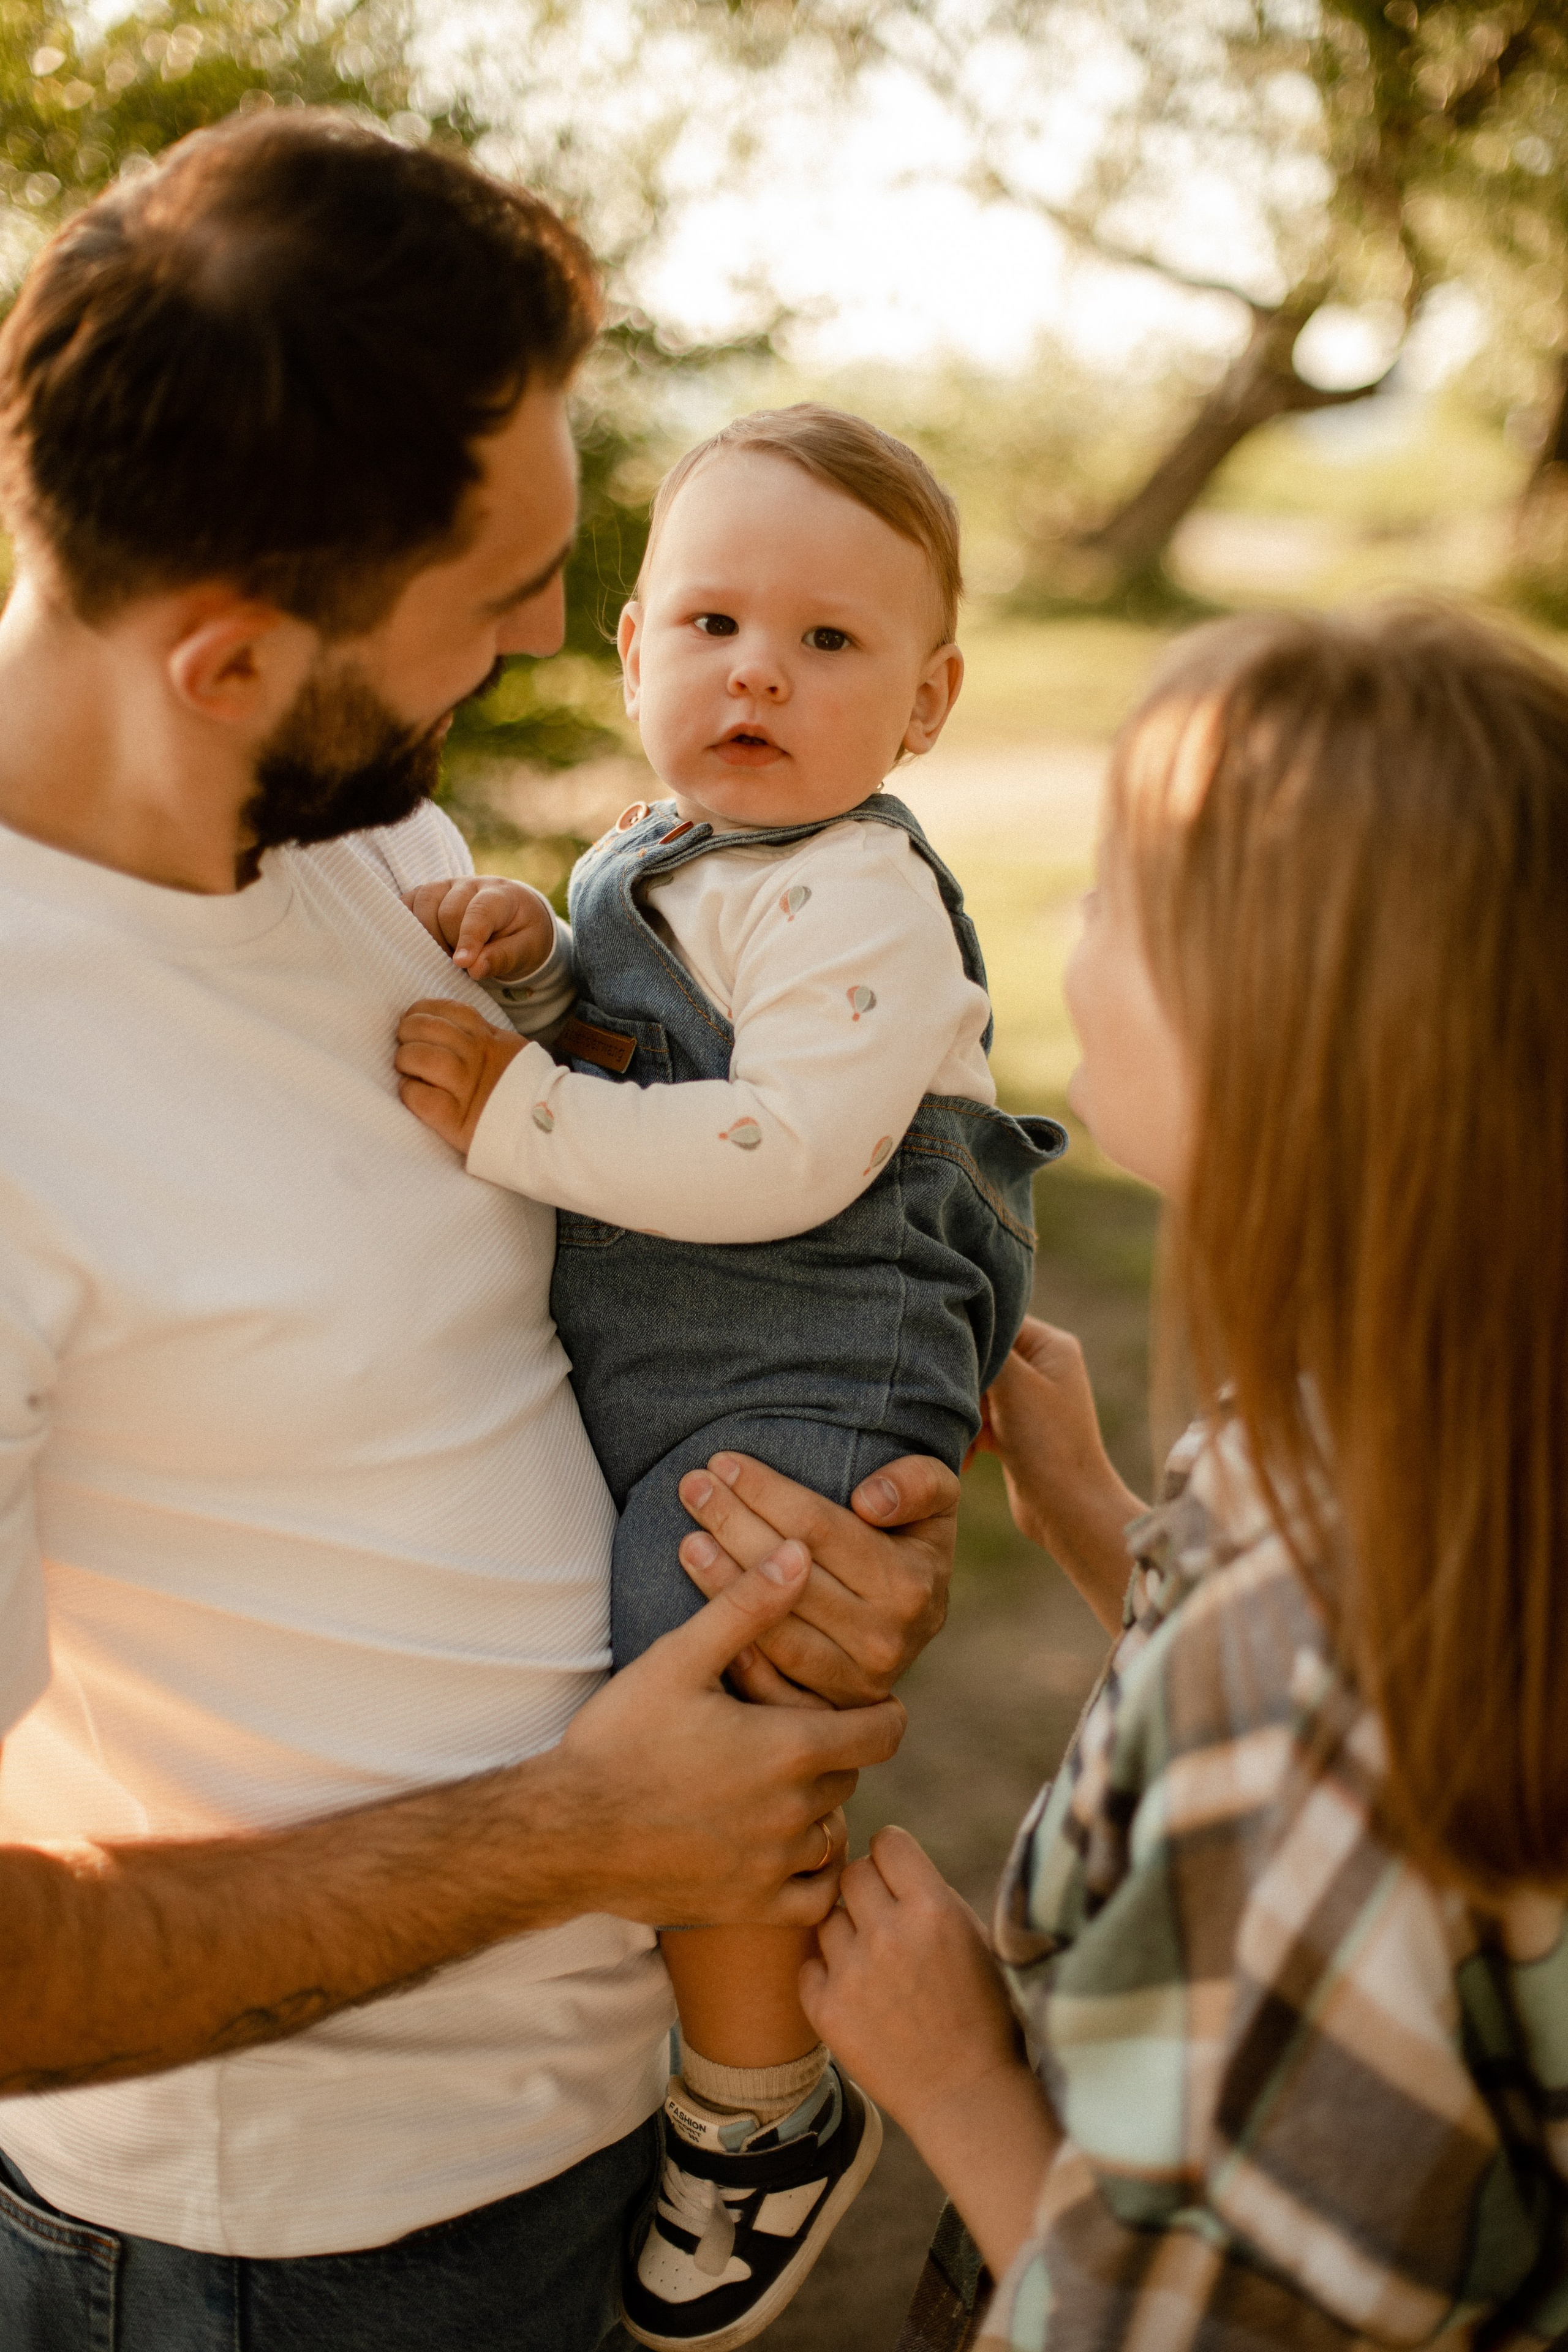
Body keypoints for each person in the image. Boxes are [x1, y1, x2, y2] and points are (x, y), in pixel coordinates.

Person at [0, 111, 963, 2352]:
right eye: (497, 595)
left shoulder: (353, 828)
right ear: (226, 658)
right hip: (275, 2260)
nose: (554, 638)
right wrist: (574, 1839)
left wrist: (831, 1534)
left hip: (591, 2117)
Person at [798, 603, 1568, 2347]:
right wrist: (1103, 1526)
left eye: (1112, 903)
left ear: (1273, 1024)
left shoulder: (1303, 1702)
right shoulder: (1406, 1425)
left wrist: (961, 2074)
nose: (1064, 950)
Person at [393, 404, 1065, 2348]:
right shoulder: (651, 856)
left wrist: (514, 1105)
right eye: (711, 623)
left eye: (832, 644)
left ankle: (763, 2101)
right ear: (632, 651)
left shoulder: (849, 892)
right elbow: (633, 1056)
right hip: (680, 1364)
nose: (759, 668)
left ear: (925, 706)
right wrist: (534, 978)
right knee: (652, 1666)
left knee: (706, 1683)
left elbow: (777, 1150)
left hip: (809, 1375)